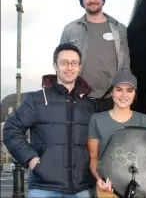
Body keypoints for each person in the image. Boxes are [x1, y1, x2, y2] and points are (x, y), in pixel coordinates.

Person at [3, 43, 95, 197]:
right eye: (64, 62)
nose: (69, 67)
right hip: (44, 188)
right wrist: (31, 159)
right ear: (55, 65)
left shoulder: (89, 105)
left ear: (79, 67)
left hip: (80, 189)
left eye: (74, 63)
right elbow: (11, 130)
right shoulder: (36, 99)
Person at [60, 0, 131, 112]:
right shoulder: (70, 29)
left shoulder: (119, 29)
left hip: (111, 99)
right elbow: (60, 64)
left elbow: (125, 65)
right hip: (79, 99)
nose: (92, 0)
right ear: (82, 1)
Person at [87, 72, 146, 197]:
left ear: (134, 94)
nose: (124, 95)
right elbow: (93, 157)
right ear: (111, 92)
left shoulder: (145, 121)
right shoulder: (97, 120)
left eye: (129, 91)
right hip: (106, 189)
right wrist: (99, 179)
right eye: (119, 90)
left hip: (136, 190)